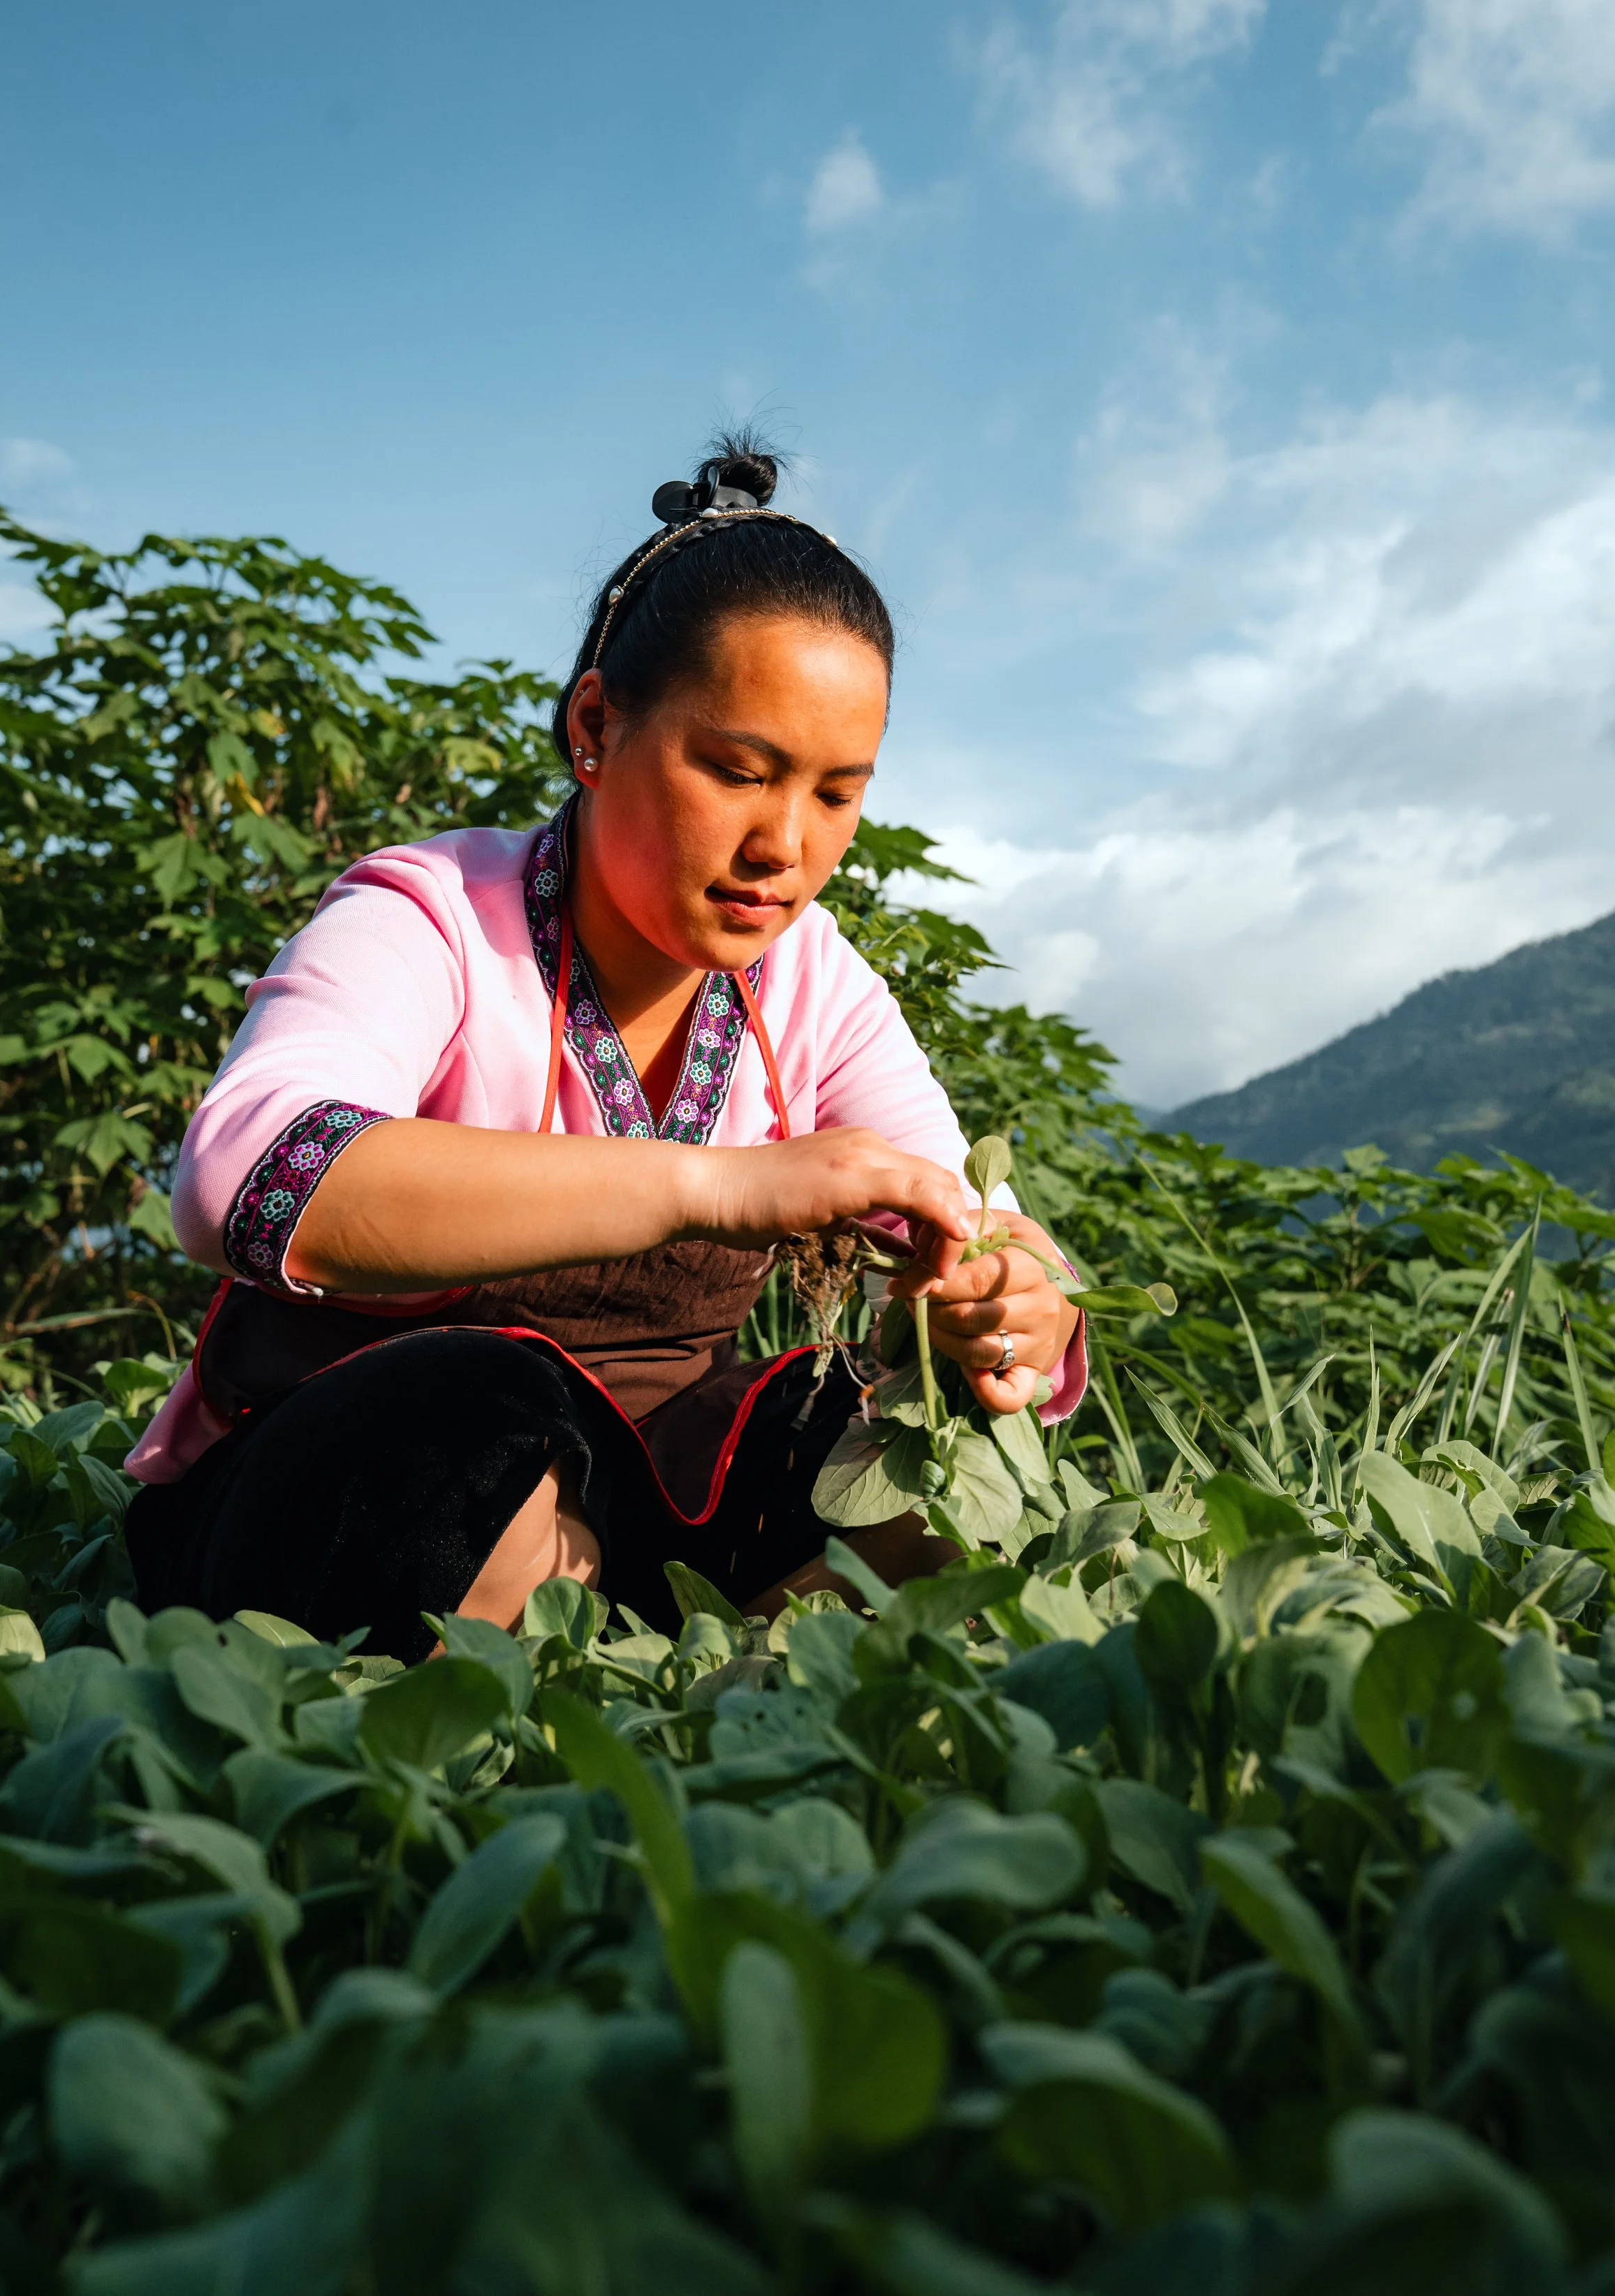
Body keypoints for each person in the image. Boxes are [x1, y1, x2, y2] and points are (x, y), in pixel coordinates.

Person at [124, 437, 1085, 1660]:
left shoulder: (813, 982)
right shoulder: (432, 917)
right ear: (594, 725)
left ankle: (725, 1696)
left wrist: (1009, 1302)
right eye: (739, 771)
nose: (784, 845)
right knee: (473, 1412)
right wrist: (715, 1185)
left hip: (633, 1523)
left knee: (876, 1438)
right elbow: (244, 1182)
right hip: (342, 1500)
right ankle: (541, 1695)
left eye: (837, 794)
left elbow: (975, 1213)